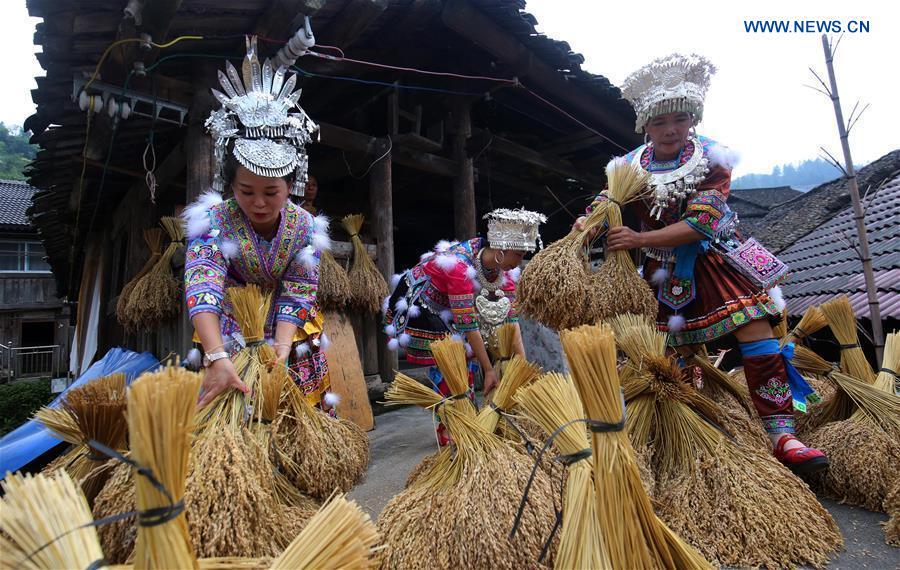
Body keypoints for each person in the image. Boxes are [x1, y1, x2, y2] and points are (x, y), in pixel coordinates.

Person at [575, 53, 827, 473]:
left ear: (693, 118)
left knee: (755, 328)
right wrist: (590, 222)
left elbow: (701, 224)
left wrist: (638, 238)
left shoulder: (713, 157)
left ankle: (781, 434)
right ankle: (677, 431)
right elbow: (606, 203)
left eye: (680, 119)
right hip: (658, 271)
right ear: (645, 126)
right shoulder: (628, 166)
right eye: (659, 122)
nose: (670, 129)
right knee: (663, 352)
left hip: (715, 258)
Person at [182, 36, 333, 410]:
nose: (260, 203)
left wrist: (281, 349)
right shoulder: (214, 222)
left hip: (288, 326)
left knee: (295, 408)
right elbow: (202, 282)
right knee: (235, 412)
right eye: (247, 191)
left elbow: (299, 286)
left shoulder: (304, 227)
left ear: (291, 185)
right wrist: (217, 356)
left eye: (272, 192)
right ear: (230, 183)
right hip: (230, 327)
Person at [384, 209, 545, 445]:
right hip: (421, 307)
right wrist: (489, 370)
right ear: (501, 251)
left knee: (467, 355)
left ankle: (466, 416)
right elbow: (467, 324)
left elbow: (511, 321)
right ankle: (451, 425)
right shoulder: (458, 267)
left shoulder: (505, 272)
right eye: (519, 254)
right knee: (453, 362)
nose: (520, 261)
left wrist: (522, 368)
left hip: (450, 307)